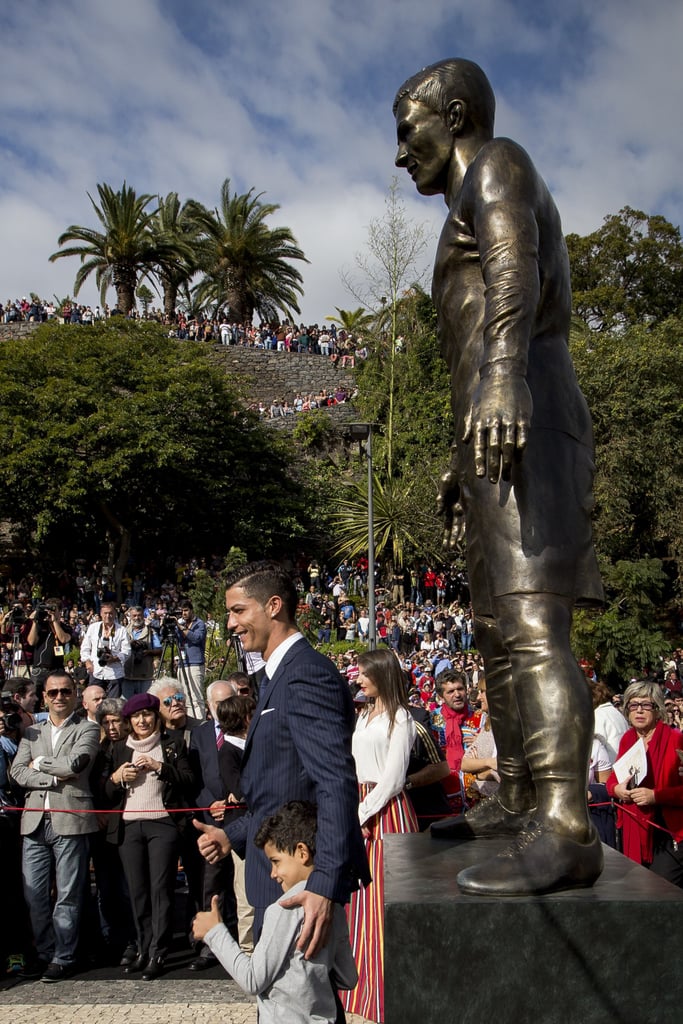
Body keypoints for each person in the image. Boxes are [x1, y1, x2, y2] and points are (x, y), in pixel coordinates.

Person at [394, 58, 604, 895]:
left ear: (452, 114)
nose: (399, 151)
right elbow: (473, 329)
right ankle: (516, 794)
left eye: (406, 128)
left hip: (527, 413)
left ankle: (563, 823)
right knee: (489, 628)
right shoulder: (460, 201)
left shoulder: (497, 163)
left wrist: (505, 374)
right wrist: (459, 451)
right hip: (491, 430)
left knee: (527, 625)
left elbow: (518, 271)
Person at [194, 561, 369, 984]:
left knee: (303, 1007)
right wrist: (230, 834)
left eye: (238, 610)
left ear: (273, 606)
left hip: (301, 884)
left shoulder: (305, 674)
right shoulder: (274, 677)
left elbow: (333, 782)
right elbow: (280, 791)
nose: (230, 623)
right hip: (279, 876)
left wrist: (324, 883)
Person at [193, 801, 357, 1024]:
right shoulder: (332, 906)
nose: (273, 873)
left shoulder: (283, 910)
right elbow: (348, 978)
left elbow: (253, 980)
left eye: (276, 861)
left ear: (302, 852)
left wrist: (214, 932)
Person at [342, 648, 419, 1023]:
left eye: (365, 674)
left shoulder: (400, 718)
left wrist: (362, 811)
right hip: (361, 804)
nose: (359, 679)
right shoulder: (363, 715)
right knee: (360, 902)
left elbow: (393, 778)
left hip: (385, 813)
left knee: (384, 899)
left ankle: (388, 988)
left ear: (382, 675)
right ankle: (359, 986)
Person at [10, 671, 100, 981]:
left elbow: (77, 765)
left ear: (75, 694)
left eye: (65, 691)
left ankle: (64, 956)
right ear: (44, 696)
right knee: (34, 895)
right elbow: (17, 773)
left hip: (71, 819)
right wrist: (51, 776)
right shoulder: (32, 732)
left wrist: (39, 764)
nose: (59, 697)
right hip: (34, 821)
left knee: (68, 894)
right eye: (53, 693)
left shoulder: (89, 728)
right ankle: (46, 952)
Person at [103, 691, 195, 979]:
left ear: (156, 717)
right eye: (136, 716)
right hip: (129, 826)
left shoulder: (172, 744)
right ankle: (143, 948)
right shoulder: (117, 749)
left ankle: (159, 950)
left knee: (161, 889)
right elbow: (104, 793)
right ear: (129, 721)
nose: (142, 720)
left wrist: (160, 768)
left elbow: (188, 780)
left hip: (163, 824)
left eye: (147, 715)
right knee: (137, 890)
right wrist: (117, 779)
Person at [188, 677, 244, 971]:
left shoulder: (247, 728)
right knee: (213, 885)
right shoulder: (199, 735)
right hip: (212, 818)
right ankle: (212, 945)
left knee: (244, 887)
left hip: (242, 818)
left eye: (228, 701)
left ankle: (244, 942)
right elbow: (196, 775)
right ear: (208, 707)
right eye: (217, 703)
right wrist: (212, 803)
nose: (223, 708)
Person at [606, 681, 683, 886]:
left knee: (660, 888)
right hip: (638, 828)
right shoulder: (628, 738)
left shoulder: (676, 739)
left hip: (671, 831)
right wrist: (617, 789)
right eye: (633, 705)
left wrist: (655, 796)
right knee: (638, 886)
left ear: (657, 710)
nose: (639, 710)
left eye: (646, 705)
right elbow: (613, 780)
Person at [80, 603, 131, 696]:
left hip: (115, 673)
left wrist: (115, 658)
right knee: (94, 701)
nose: (108, 616)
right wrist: (87, 661)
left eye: (111, 613)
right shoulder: (93, 628)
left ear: (115, 614)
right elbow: (85, 648)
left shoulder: (122, 630)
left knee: (113, 705)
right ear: (101, 613)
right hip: (96, 671)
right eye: (105, 613)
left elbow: (127, 651)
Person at [123, 606, 161, 699]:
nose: (136, 618)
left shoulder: (151, 632)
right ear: (130, 616)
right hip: (127, 675)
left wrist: (148, 652)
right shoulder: (123, 631)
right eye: (134, 615)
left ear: (143, 616)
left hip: (145, 675)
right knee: (126, 705)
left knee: (144, 704)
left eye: (139, 615)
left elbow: (159, 650)